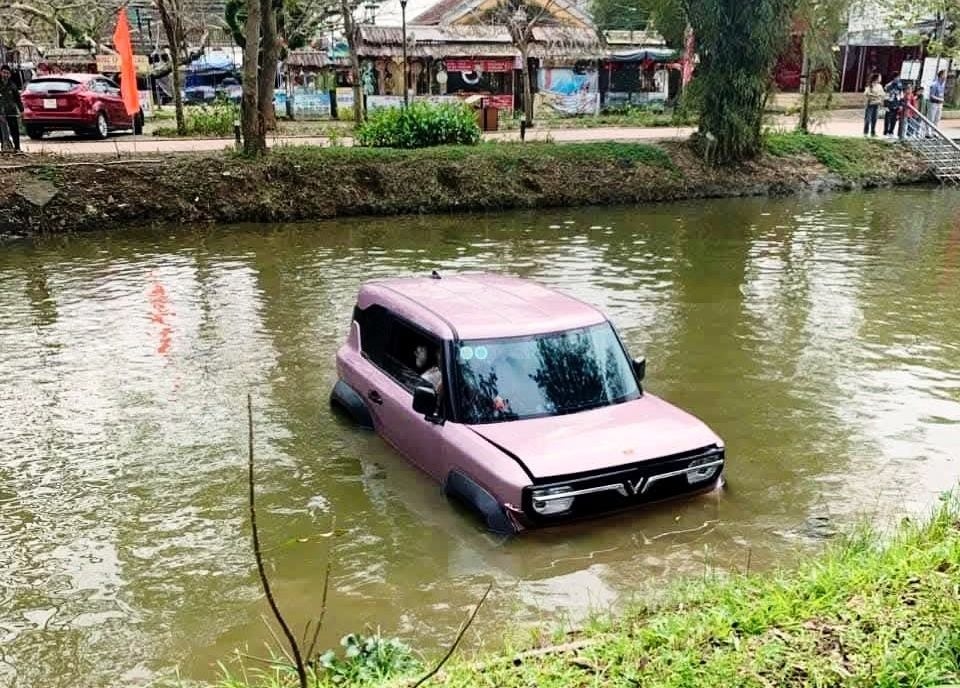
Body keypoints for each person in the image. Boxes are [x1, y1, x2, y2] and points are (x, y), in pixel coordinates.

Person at [0, 64, 22, 153]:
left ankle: (17, 147)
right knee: (2, 131)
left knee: (14, 130)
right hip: (1, 112)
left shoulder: (12, 85)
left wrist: (22, 110)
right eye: (4, 73)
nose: (5, 75)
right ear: (0, 73)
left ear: (10, 74)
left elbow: (18, 99)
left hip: (11, 110)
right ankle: (4, 146)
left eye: (7, 73)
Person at [864, 73, 885, 137]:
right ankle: (866, 132)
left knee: (874, 119)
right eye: (879, 77)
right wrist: (875, 95)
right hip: (870, 104)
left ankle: (873, 132)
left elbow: (882, 94)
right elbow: (866, 94)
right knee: (868, 119)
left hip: (877, 104)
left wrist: (881, 98)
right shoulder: (870, 85)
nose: (880, 79)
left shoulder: (880, 86)